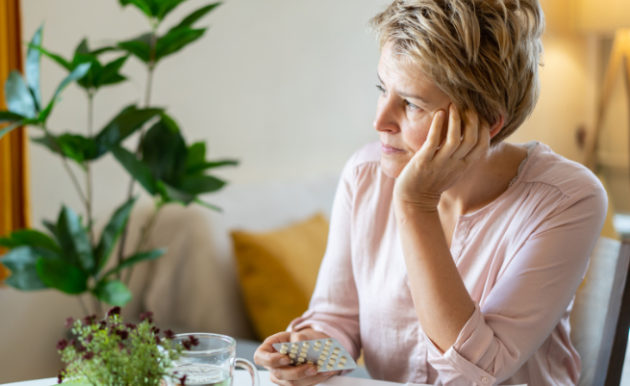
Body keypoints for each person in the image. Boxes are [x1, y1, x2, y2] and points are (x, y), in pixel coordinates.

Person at [253, 1, 608, 385]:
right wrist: (306, 351)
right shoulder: (364, 175)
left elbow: (479, 373)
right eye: (382, 89)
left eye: (411, 104)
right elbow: (338, 319)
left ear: (486, 122)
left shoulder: (567, 198)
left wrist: (415, 206)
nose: (379, 121)